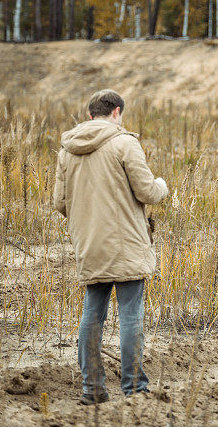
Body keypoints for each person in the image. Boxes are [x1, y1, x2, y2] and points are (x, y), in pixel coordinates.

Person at [53, 89, 168, 404]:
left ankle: (92, 390)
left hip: (89, 244)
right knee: (131, 315)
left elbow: (59, 202)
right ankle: (134, 389)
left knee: (92, 315)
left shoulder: (67, 151)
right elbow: (146, 191)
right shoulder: (125, 143)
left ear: (91, 115)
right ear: (116, 112)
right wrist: (162, 185)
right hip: (126, 243)